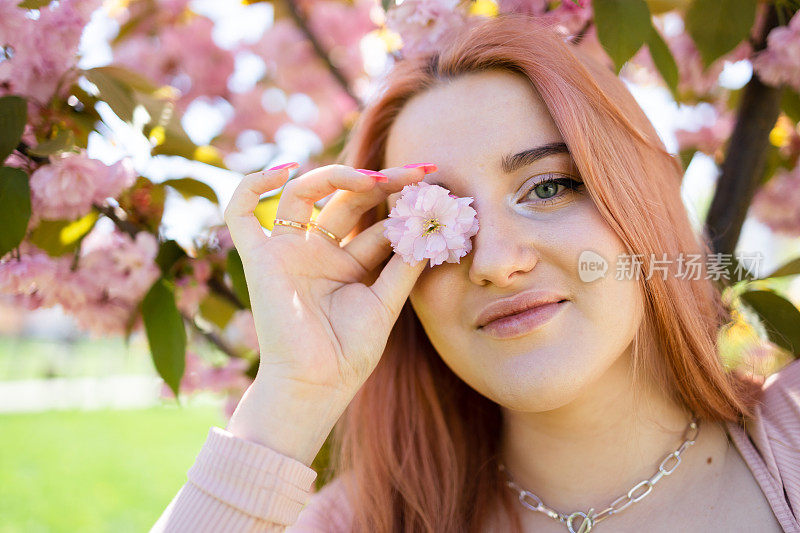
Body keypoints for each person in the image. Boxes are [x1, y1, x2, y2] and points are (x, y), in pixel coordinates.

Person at [151, 13, 800, 533]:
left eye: (547, 188)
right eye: (439, 223)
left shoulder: (789, 444)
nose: (494, 262)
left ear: (640, 201)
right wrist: (292, 397)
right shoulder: (363, 521)